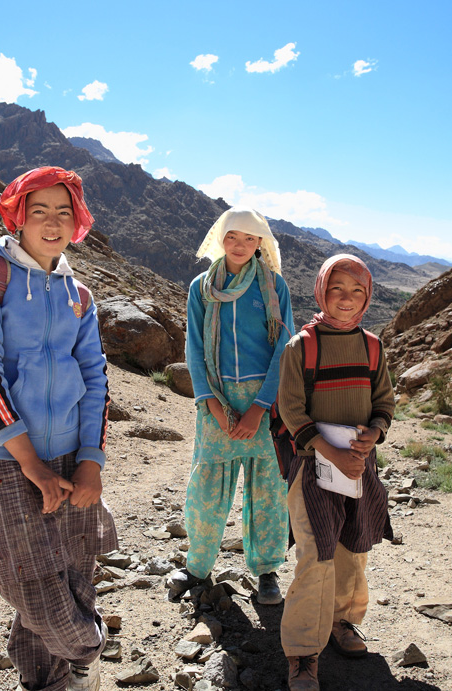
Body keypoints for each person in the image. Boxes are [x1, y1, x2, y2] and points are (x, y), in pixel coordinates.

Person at [0, 166, 117, 691]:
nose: (52, 221)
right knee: (30, 578)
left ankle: (48, 680)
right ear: (17, 217)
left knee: (70, 570)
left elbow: (95, 377)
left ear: (78, 221)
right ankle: (88, 648)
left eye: (64, 212)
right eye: (38, 210)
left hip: (68, 454)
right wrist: (31, 463)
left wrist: (91, 459)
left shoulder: (78, 295)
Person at [277, 254, 395, 691]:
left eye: (357, 291)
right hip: (312, 469)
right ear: (321, 291)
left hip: (359, 467)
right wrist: (331, 451)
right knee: (316, 556)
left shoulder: (372, 346)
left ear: (367, 296)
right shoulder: (302, 347)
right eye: (337, 289)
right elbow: (291, 411)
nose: (346, 299)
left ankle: (343, 622)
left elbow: (384, 402)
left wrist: (373, 435)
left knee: (353, 547)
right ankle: (303, 653)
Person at [168, 206, 295, 605]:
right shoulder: (201, 288)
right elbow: (194, 349)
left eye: (249, 239)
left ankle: (267, 571)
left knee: (269, 491)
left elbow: (285, 351)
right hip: (216, 403)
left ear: (260, 243)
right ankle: (197, 567)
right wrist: (213, 404)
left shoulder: (274, 287)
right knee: (207, 487)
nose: (239, 246)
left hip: (266, 406)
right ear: (219, 240)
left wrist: (260, 406)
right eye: (232, 237)